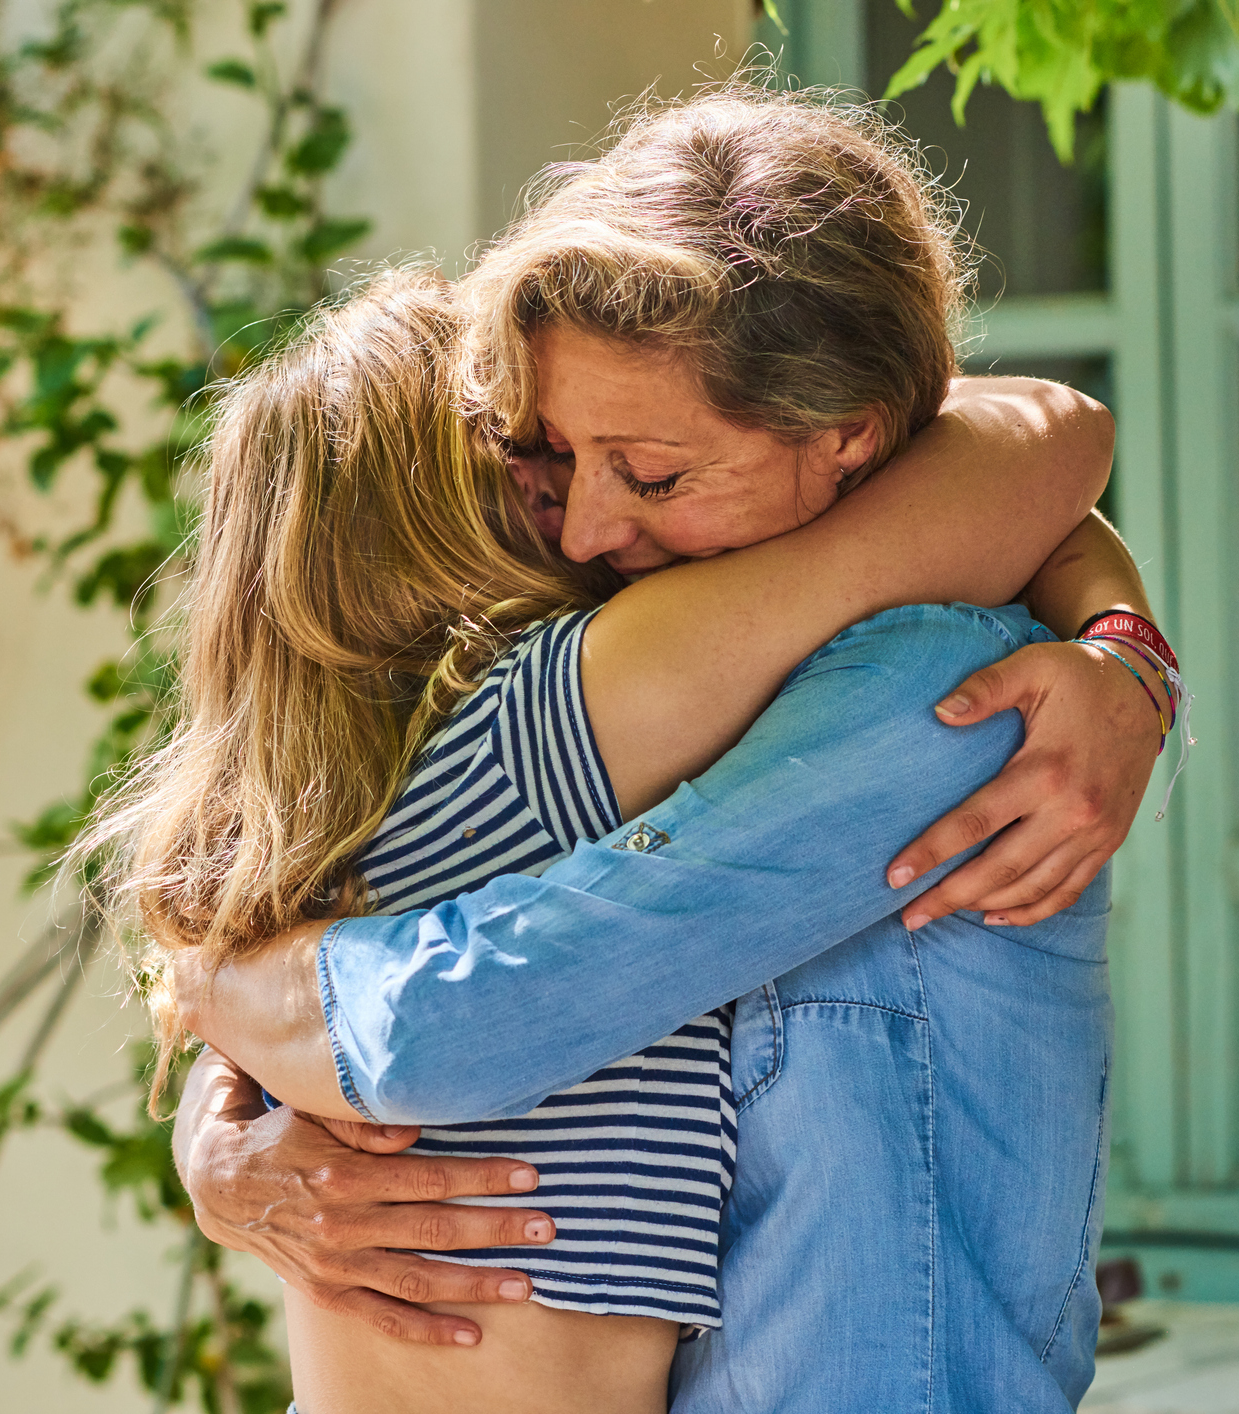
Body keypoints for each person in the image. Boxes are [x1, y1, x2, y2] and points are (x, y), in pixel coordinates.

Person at [160, 90, 1174, 1413]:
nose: (583, 526)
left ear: (852, 435)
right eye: (550, 456)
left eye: (645, 472)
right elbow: (1035, 442)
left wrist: (220, 989)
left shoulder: (918, 683)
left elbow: (448, 1022)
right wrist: (224, 1083)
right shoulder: (565, 718)